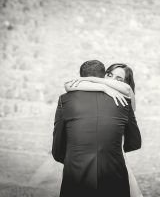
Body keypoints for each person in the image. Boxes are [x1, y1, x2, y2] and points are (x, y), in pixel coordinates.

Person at [52, 60, 141, 197]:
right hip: (114, 169)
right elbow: (134, 142)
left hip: (81, 171)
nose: (112, 81)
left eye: (119, 79)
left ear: (126, 82)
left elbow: (58, 145)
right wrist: (102, 87)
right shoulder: (120, 100)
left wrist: (94, 80)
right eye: (109, 75)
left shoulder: (126, 97)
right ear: (104, 75)